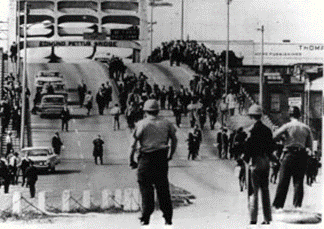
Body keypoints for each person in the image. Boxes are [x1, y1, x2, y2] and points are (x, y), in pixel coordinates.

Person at [129, 99, 177, 226]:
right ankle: (168, 218)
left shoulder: (142, 124)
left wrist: (131, 159)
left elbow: (133, 144)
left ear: (145, 111)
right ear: (157, 110)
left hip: (146, 159)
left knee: (145, 189)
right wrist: (170, 155)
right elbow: (174, 140)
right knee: (163, 189)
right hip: (161, 159)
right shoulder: (166, 123)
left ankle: (145, 217)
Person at [242, 104, 278, 225]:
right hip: (265, 161)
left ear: (251, 116)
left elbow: (248, 149)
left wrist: (245, 159)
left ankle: (253, 219)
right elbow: (271, 147)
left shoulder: (251, 130)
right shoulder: (267, 130)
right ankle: (267, 218)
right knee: (265, 190)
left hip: (255, 162)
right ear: (261, 116)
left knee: (253, 191)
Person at [272, 106, 313, 210]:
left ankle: (278, 206)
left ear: (290, 115)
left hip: (289, 154)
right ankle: (297, 206)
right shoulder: (306, 128)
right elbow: (310, 145)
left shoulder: (287, 126)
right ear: (299, 115)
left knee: (283, 182)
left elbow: (274, 136)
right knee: (298, 182)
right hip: (301, 155)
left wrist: (283, 139)